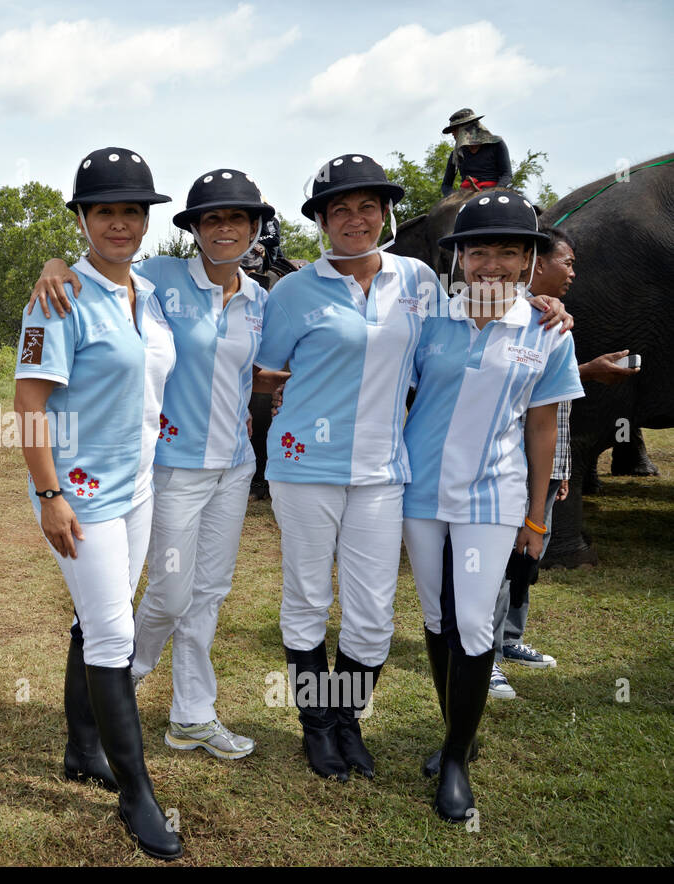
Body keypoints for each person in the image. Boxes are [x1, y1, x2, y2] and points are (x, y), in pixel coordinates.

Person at [254, 155, 572, 784]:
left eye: (368, 207)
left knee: (372, 617)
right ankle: (320, 729)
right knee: (309, 599)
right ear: (319, 220)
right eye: (339, 209)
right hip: (304, 467)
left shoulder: (420, 283)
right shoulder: (292, 293)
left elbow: (485, 318)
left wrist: (542, 302)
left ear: (386, 214)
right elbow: (262, 375)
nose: (355, 219)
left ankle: (349, 717)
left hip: (384, 472)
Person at [26, 169, 287, 761]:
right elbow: (98, 265)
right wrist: (53, 263)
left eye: (239, 219)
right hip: (168, 465)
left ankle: (192, 716)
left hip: (234, 466)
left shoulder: (261, 299)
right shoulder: (160, 277)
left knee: (210, 593)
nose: (226, 230)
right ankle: (120, 680)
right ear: (192, 228)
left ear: (254, 229)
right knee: (169, 595)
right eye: (213, 219)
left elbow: (241, 367)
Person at [14, 146, 180, 860]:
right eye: (105, 211)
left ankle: (83, 750)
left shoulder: (151, 292)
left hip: (137, 486)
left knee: (96, 623)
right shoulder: (56, 299)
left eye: (132, 212)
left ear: (146, 222)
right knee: (117, 638)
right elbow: (26, 404)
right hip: (78, 494)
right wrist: (49, 495)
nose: (120, 224)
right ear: (82, 219)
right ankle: (137, 794)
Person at [402, 190, 584, 822]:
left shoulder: (547, 328)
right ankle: (461, 729)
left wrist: (537, 516)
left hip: (492, 494)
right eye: (481, 251)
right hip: (420, 489)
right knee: (434, 617)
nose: (494, 265)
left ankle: (454, 761)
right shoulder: (429, 320)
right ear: (460, 258)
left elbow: (542, 425)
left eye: (511, 252)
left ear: (532, 261)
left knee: (474, 623)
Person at [483, 226, 641, 700]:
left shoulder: (554, 325)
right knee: (501, 557)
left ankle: (509, 640)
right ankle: (484, 656)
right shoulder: (504, 315)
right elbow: (521, 405)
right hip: (512, 464)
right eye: (567, 262)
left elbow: (552, 403)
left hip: (548, 465)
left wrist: (561, 468)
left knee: (527, 558)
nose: (573, 273)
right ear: (537, 261)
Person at [440, 109, 513, 196]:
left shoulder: (497, 144)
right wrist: (454, 197)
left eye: (455, 129)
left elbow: (506, 174)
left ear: (468, 128)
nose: (452, 134)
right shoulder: (456, 154)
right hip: (465, 196)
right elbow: (446, 185)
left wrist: (495, 193)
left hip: (494, 192)